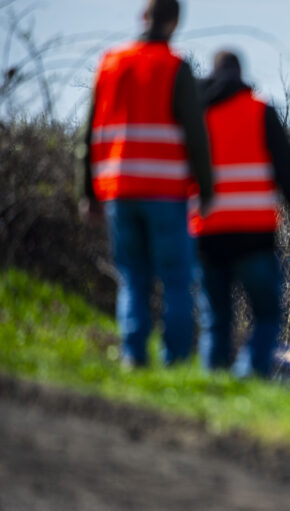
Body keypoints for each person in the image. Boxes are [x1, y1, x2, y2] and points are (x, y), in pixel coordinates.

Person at [76, 0, 213, 367]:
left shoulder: (110, 64)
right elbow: (196, 137)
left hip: (119, 191)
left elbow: (89, 134)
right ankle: (176, 362)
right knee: (175, 282)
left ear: (143, 17)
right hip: (166, 193)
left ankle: (133, 358)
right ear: (174, 23)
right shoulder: (175, 67)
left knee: (133, 279)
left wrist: (88, 192)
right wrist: (206, 189)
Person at [190, 50, 290, 377]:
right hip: (255, 236)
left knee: (216, 320)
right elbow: (289, 177)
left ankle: (211, 388)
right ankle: (247, 377)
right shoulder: (260, 111)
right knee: (267, 315)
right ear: (241, 74)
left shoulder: (196, 115)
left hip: (207, 234)